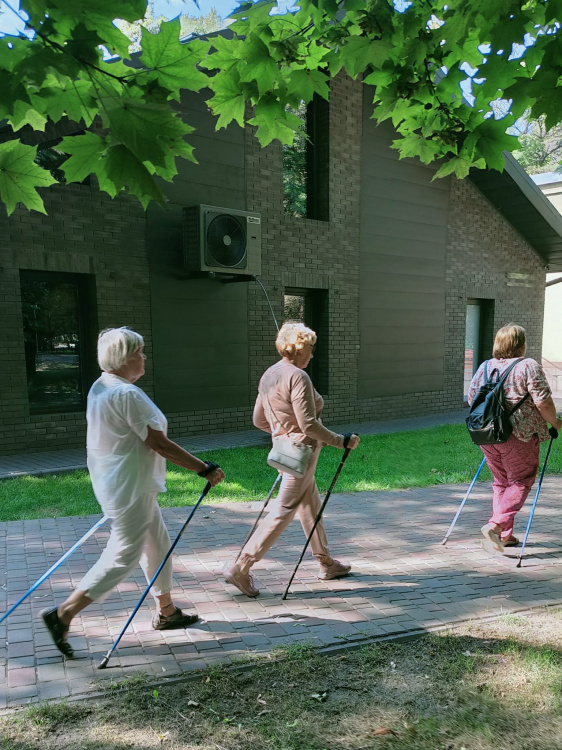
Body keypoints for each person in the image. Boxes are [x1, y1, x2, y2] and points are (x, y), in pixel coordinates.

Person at [41, 327, 225, 657]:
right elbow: (158, 443)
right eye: (140, 353)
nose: (144, 358)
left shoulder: (102, 386)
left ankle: (166, 611)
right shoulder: (126, 394)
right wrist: (204, 468)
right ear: (124, 358)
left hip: (120, 483)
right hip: (130, 486)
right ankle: (64, 614)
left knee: (157, 543)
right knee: (124, 555)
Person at [223, 322, 360, 597]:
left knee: (310, 505)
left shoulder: (269, 375)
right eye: (310, 347)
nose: (312, 353)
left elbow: (258, 420)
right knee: (283, 510)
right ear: (298, 347)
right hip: (302, 453)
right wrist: (341, 440)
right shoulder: (298, 376)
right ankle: (242, 567)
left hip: (287, 451)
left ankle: (327, 563)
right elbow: (308, 424)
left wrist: (283, 434)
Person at [467, 323, 561, 553]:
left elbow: (472, 399)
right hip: (520, 434)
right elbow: (543, 402)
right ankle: (496, 526)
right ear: (521, 344)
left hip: (486, 433)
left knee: (502, 482)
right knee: (521, 480)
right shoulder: (528, 365)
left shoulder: (485, 366)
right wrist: (556, 423)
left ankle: (505, 535)